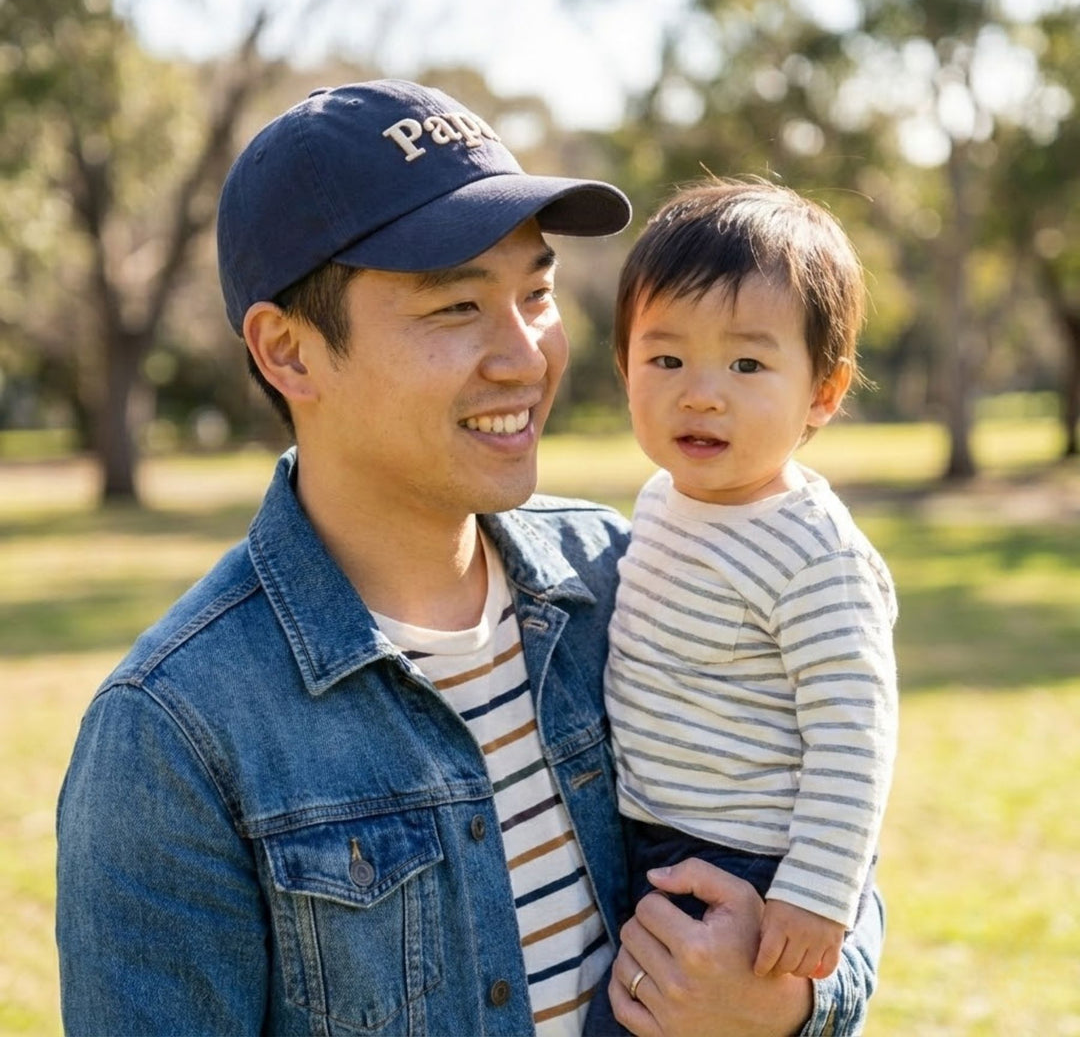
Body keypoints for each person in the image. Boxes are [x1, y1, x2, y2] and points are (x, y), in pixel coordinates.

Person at [56, 81, 881, 1036]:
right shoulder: (171, 737)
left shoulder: (626, 572)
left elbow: (821, 855)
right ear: (288, 353)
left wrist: (789, 1003)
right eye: (455, 307)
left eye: (536, 292)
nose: (526, 357)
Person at [587, 179, 898, 1035]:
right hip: (640, 838)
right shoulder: (658, 500)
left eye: (748, 364)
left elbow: (854, 734)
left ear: (824, 393)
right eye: (666, 358)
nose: (701, 392)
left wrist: (816, 891)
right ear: (626, 369)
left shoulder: (814, 554)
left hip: (749, 861)